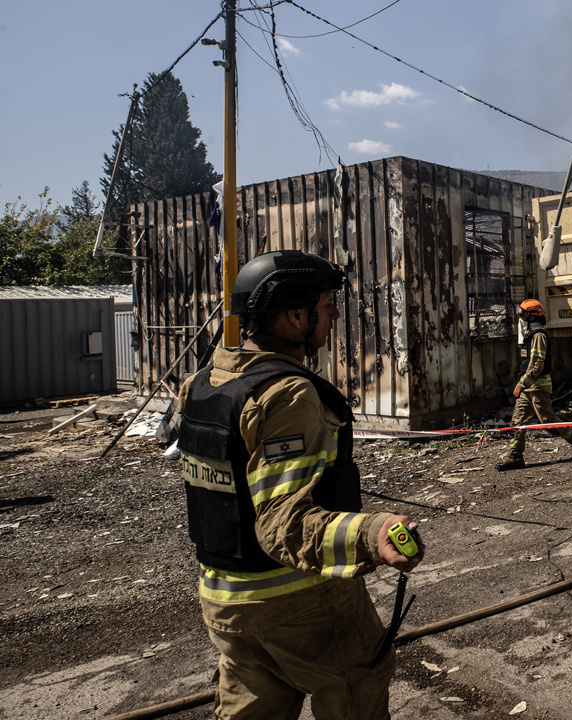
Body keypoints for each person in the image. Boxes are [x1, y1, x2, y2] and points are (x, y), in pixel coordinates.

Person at [177, 250, 422, 720]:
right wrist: (371, 533)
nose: (333, 314)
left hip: (226, 604)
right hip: (297, 603)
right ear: (295, 315)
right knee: (357, 681)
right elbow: (280, 524)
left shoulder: (203, 383)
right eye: (327, 305)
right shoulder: (286, 394)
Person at [496, 299, 572, 470]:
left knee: (548, 420)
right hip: (528, 388)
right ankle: (514, 457)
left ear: (531, 318)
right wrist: (523, 385)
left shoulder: (539, 336)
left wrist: (521, 383)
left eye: (523, 316)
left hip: (538, 387)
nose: (521, 320)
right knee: (518, 422)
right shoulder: (530, 335)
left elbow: (537, 364)